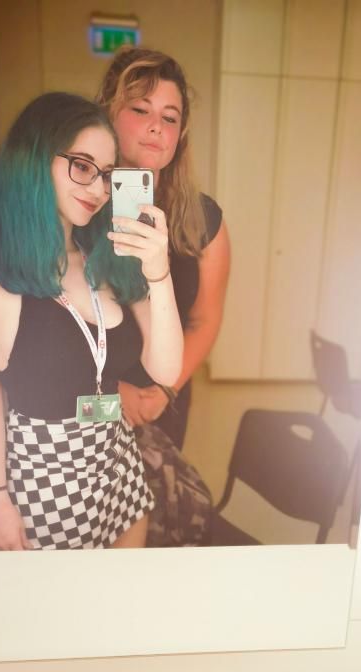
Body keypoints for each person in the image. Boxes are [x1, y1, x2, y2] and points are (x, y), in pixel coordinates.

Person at [0, 92, 182, 551]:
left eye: (107, 174)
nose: (98, 188)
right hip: (45, 482)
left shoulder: (108, 253)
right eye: (82, 166)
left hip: (119, 468)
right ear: (34, 157)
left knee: (122, 594)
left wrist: (159, 271)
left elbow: (166, 370)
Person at [98, 46, 230, 450]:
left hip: (165, 399)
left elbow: (204, 320)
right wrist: (109, 391)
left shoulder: (203, 219)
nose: (156, 126)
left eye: (169, 117)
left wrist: (165, 391)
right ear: (108, 113)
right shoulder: (79, 206)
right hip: (89, 399)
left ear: (179, 135)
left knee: (160, 488)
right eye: (141, 109)